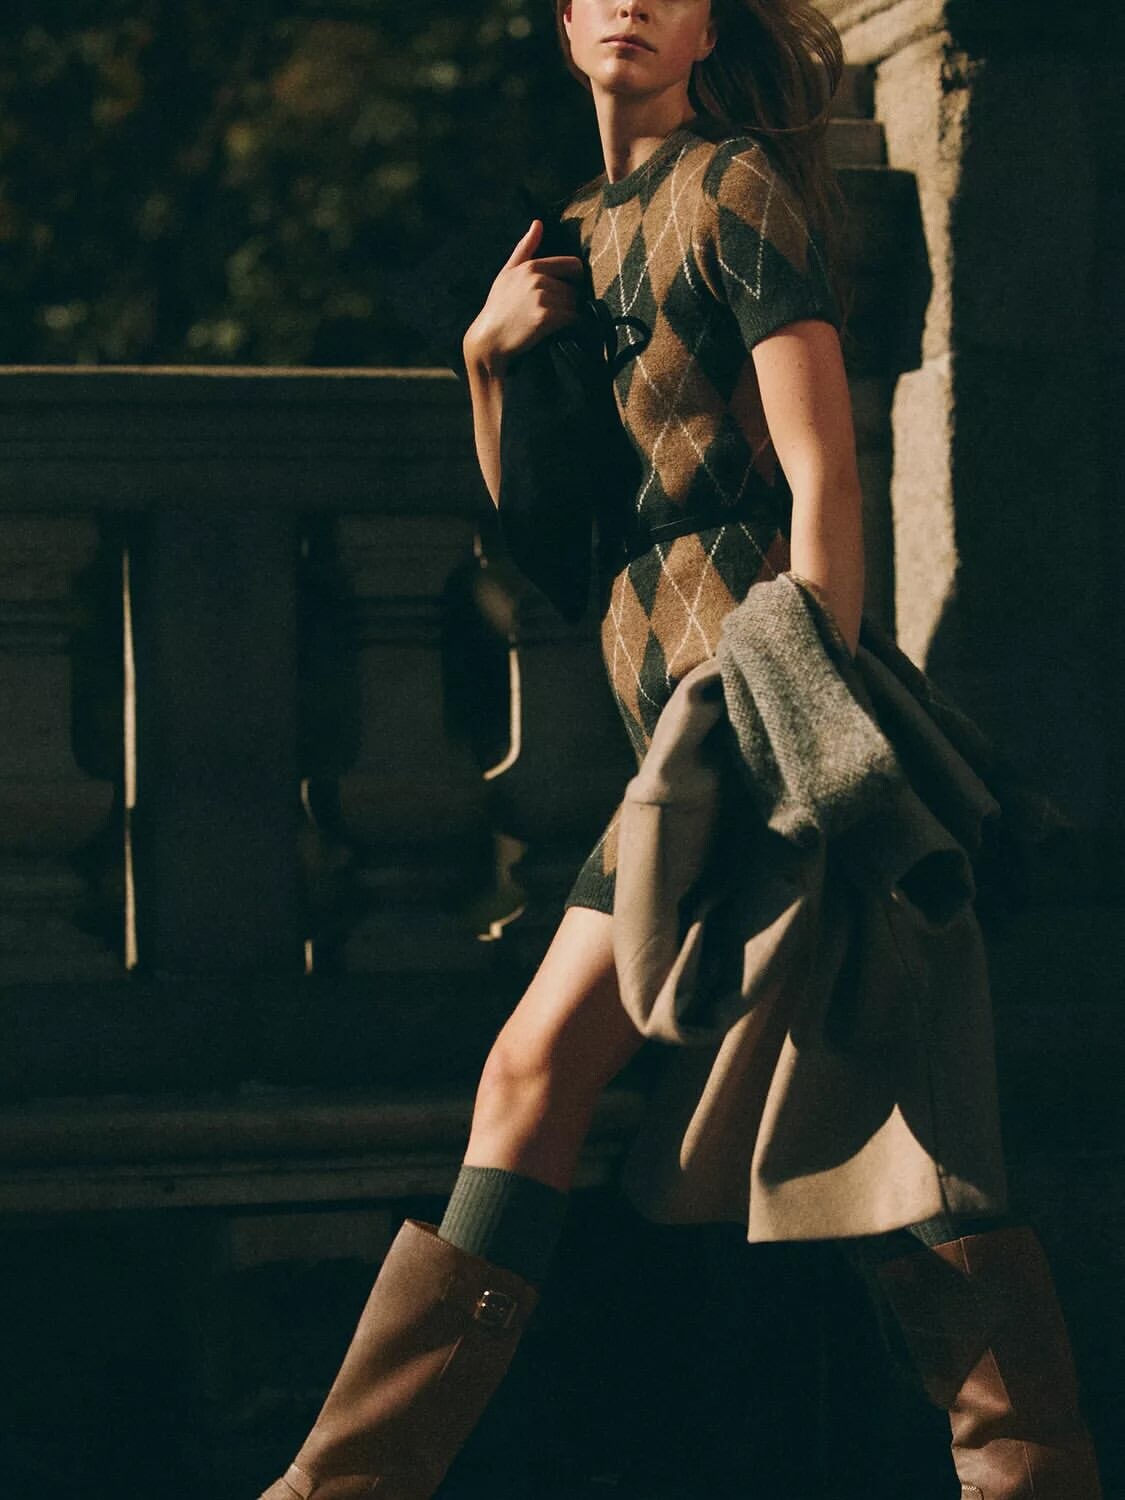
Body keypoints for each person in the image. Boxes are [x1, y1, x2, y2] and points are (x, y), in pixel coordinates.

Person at [259, 3, 1102, 1498]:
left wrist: (807, 726)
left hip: (757, 723)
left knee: (576, 1073)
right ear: (565, 21)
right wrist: (486, 361)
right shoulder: (573, 240)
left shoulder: (738, 184)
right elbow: (555, 550)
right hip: (674, 732)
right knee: (880, 1111)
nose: (633, 2)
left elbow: (824, 479)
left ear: (709, 26)